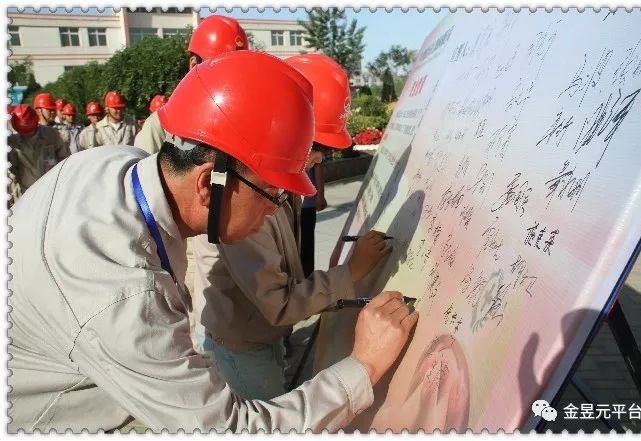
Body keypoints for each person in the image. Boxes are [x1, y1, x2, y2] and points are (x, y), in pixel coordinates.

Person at [8, 50, 418, 433]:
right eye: (271, 194)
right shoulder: (123, 297)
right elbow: (227, 429)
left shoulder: (113, 165)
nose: (274, 210)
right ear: (208, 183)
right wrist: (363, 366)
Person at [191, 54, 384, 401]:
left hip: (262, 333)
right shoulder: (241, 200)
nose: (320, 158)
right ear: (281, 129)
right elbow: (278, 303)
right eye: (317, 146)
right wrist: (351, 272)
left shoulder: (279, 181)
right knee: (268, 422)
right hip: (241, 346)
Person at [134, 14, 248, 155]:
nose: (229, 80)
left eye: (235, 70)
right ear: (194, 65)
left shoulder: (239, 123)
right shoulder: (159, 128)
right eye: (220, 69)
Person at [7, 104, 70, 206]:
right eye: (24, 132)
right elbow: (13, 168)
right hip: (27, 193)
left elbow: (65, 158)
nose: (27, 134)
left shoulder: (51, 135)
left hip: (53, 190)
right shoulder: (12, 142)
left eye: (30, 131)